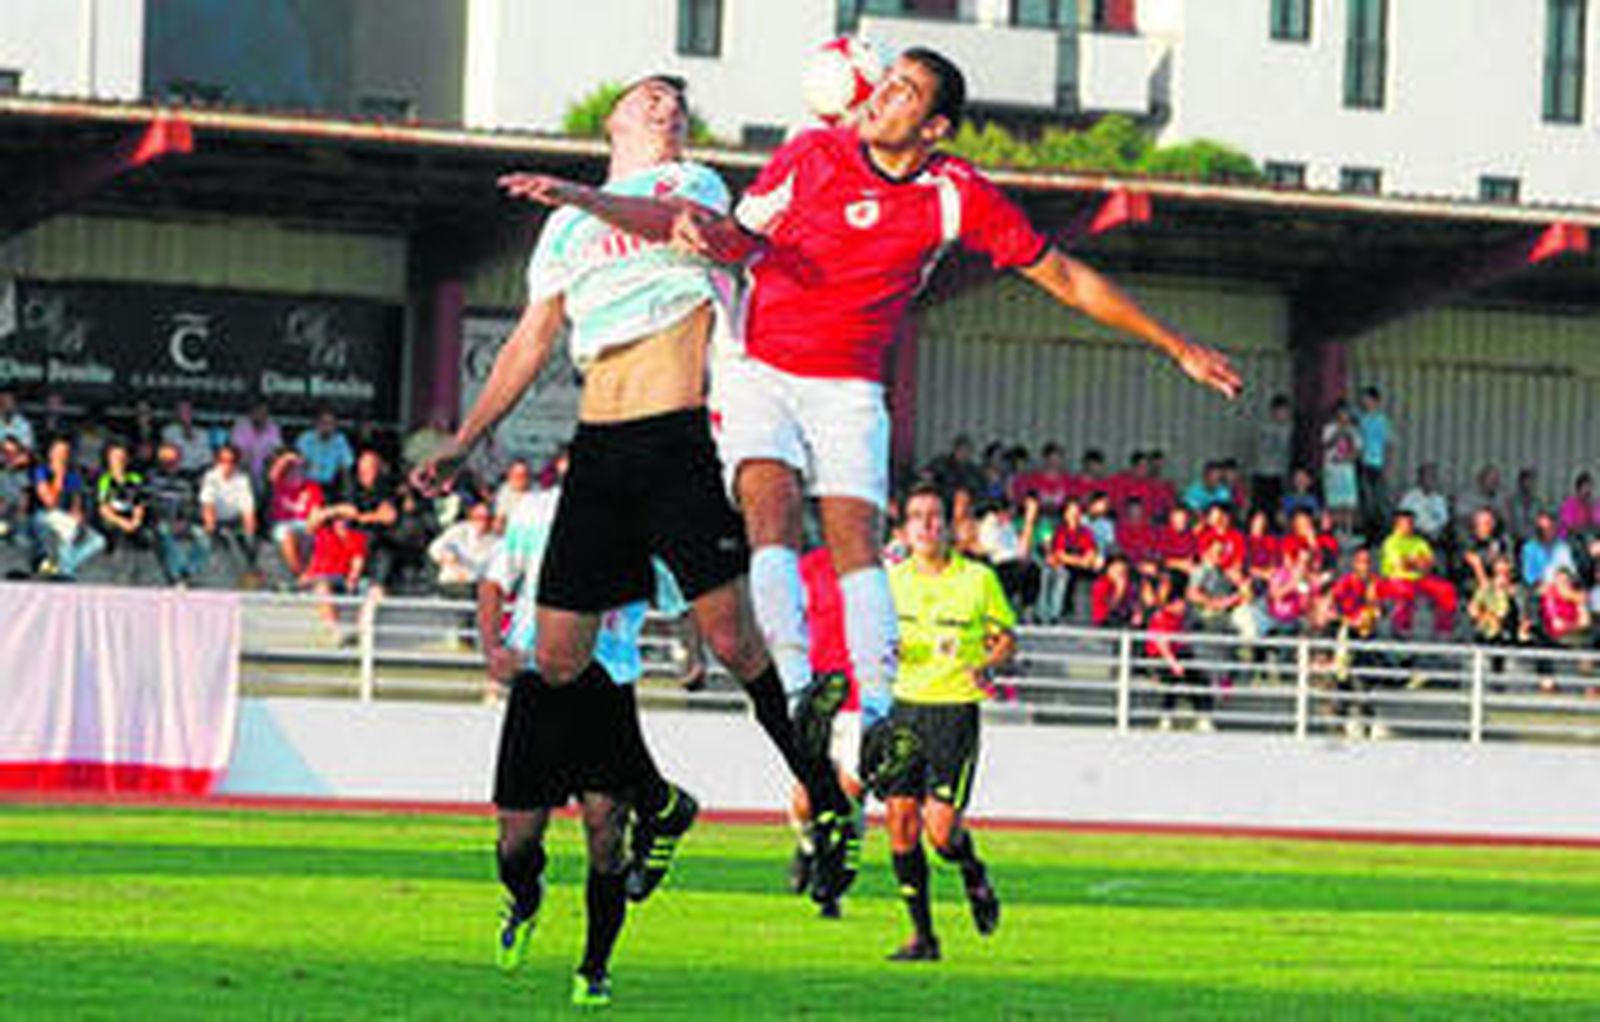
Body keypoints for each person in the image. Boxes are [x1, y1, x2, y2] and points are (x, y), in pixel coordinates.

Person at [530, 47, 1239, 804]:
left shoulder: (957, 194)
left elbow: (1061, 273)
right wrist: (698, 235)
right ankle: (802, 693)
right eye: (885, 78)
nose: (880, 94)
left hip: (848, 383)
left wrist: (1176, 344)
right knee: (770, 515)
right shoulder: (812, 154)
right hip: (759, 363)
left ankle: (874, 716)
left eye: (902, 90)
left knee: (855, 542)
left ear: (933, 127)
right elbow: (740, 238)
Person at [415, 74, 857, 900]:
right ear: (613, 116)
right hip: (600, 449)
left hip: (682, 436)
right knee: (555, 658)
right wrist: (465, 440)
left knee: (732, 642)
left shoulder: (686, 184)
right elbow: (529, 342)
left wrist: (580, 194)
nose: (666, 106)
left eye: (675, 102)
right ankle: (657, 799)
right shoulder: (562, 231)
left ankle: (824, 794)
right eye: (649, 96)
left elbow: (665, 225)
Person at [481, 472, 699, 1008]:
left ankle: (594, 968)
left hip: (606, 684)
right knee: (517, 842)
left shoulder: (647, 525)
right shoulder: (534, 511)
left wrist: (694, 655)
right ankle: (524, 900)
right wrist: (492, 649)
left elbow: (678, 602)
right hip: (537, 680)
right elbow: (493, 582)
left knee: (605, 833)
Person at [879, 484, 1010, 962]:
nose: (927, 525)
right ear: (905, 528)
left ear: (950, 526)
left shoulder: (977, 579)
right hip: (904, 709)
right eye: (918, 517)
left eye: (935, 516)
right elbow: (875, 636)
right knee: (899, 824)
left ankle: (972, 868)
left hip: (954, 711)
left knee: (940, 833)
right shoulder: (891, 580)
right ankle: (923, 937)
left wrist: (989, 663)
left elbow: (1005, 637)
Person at [30, 436, 104, 578]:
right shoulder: (41, 472)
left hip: (66, 518)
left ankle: (64, 566)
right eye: (57, 451)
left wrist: (77, 515)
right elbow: (49, 502)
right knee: (67, 529)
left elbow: (76, 502)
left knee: (98, 540)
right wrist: (58, 477)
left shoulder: (73, 475)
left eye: (64, 452)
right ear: (50, 453)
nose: (60, 455)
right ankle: (65, 572)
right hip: (44, 516)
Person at [145, 440, 207, 584]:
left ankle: (189, 571)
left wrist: (184, 520)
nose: (169, 464)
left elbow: (191, 503)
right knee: (164, 531)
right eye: (165, 460)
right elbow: (150, 503)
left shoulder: (186, 480)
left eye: (172, 460)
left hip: (183, 521)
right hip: (161, 521)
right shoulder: (152, 478)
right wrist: (169, 519)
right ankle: (176, 576)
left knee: (203, 537)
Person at [96, 441, 154, 583]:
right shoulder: (105, 480)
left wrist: (136, 521)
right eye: (115, 458)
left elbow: (139, 503)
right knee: (118, 532)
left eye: (122, 457)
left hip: (131, 517)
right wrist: (122, 523)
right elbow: (103, 508)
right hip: (113, 518)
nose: (118, 461)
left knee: (143, 533)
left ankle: (138, 573)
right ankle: (117, 572)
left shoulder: (135, 478)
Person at [198, 443, 259, 581]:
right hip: (214, 521)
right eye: (223, 461)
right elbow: (208, 505)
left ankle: (250, 573)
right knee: (214, 541)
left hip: (234, 521)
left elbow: (248, 509)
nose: (227, 465)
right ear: (217, 461)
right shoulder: (210, 477)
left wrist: (250, 532)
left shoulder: (242, 479)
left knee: (249, 540)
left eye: (231, 461)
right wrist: (211, 528)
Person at [267, 451, 324, 581]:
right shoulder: (280, 484)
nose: (297, 472)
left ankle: (310, 572)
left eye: (300, 469)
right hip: (283, 523)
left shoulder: (312, 487)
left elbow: (316, 511)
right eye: (293, 469)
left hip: (304, 523)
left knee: (320, 535)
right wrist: (287, 458)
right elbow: (273, 474)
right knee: (288, 534)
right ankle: (299, 573)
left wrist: (312, 524)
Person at [1356, 386, 1393, 535]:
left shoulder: (1382, 420)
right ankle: (1368, 531)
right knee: (1366, 500)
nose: (1365, 402)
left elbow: (1388, 444)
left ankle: (1384, 530)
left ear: (1376, 401)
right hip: (1364, 463)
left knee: (1380, 500)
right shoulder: (1361, 419)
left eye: (1368, 399)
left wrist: (1387, 464)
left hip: (1378, 463)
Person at [1320, 401, 1361, 535]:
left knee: (1348, 502)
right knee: (1334, 501)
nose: (1344, 416)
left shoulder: (1354, 430)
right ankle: (1335, 529)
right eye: (1341, 413)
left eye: (1346, 413)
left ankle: (1347, 529)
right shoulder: (1329, 428)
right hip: (1332, 469)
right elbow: (1325, 445)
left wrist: (1349, 456)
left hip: (1347, 469)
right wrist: (1338, 432)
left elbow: (1357, 450)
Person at [296, 407, 356, 490]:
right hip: (308, 484)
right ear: (317, 423)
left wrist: (340, 467)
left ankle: (347, 498)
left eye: (330, 423)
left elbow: (348, 462)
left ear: (335, 425)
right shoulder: (306, 438)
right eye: (324, 423)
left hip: (332, 486)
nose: (327, 427)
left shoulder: (340, 440)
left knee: (346, 473)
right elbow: (298, 461)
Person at [1251, 394, 1293, 514]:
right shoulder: (1265, 427)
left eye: (1286, 411)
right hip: (1263, 471)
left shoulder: (1288, 427)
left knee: (1278, 506)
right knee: (1261, 506)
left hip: (1280, 473)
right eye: (1280, 411)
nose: (1283, 414)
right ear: (1273, 411)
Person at [230, 400, 285, 491]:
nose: (262, 416)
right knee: (244, 466)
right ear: (251, 413)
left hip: (265, 473)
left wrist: (271, 459)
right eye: (259, 412)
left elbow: (277, 450)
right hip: (244, 470)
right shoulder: (240, 428)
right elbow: (237, 451)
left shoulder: (273, 428)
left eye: (265, 413)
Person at [161, 399, 213, 477]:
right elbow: (167, 455)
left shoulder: (203, 433)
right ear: (177, 413)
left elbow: (207, 457)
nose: (186, 413)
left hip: (198, 472)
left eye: (188, 410)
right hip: (176, 472)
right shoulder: (168, 431)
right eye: (182, 410)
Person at [0, 388, 35, 453]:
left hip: (17, 459)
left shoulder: (23, 423)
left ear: (14, 404)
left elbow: (27, 447)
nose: (7, 405)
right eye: (3, 401)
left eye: (10, 401)